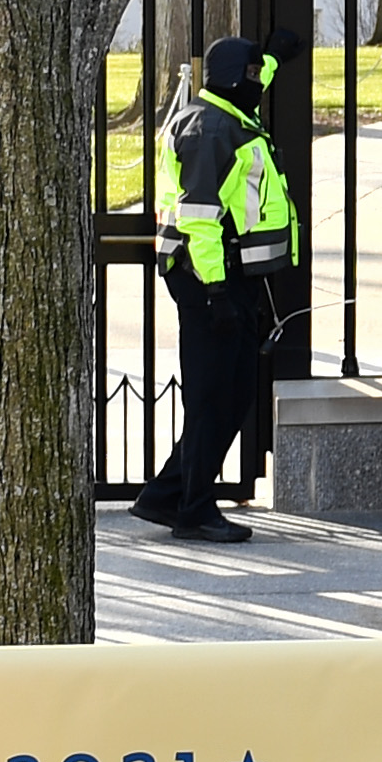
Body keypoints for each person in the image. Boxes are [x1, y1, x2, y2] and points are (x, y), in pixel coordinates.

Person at [134, 32, 296, 545]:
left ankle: (169, 494)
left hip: (226, 279)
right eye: (250, 75)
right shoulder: (210, 131)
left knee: (231, 394)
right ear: (229, 79)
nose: (258, 83)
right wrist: (219, 292)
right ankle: (193, 509)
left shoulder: (227, 114)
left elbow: (250, 78)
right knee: (213, 397)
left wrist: (269, 55)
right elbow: (201, 221)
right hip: (210, 279)